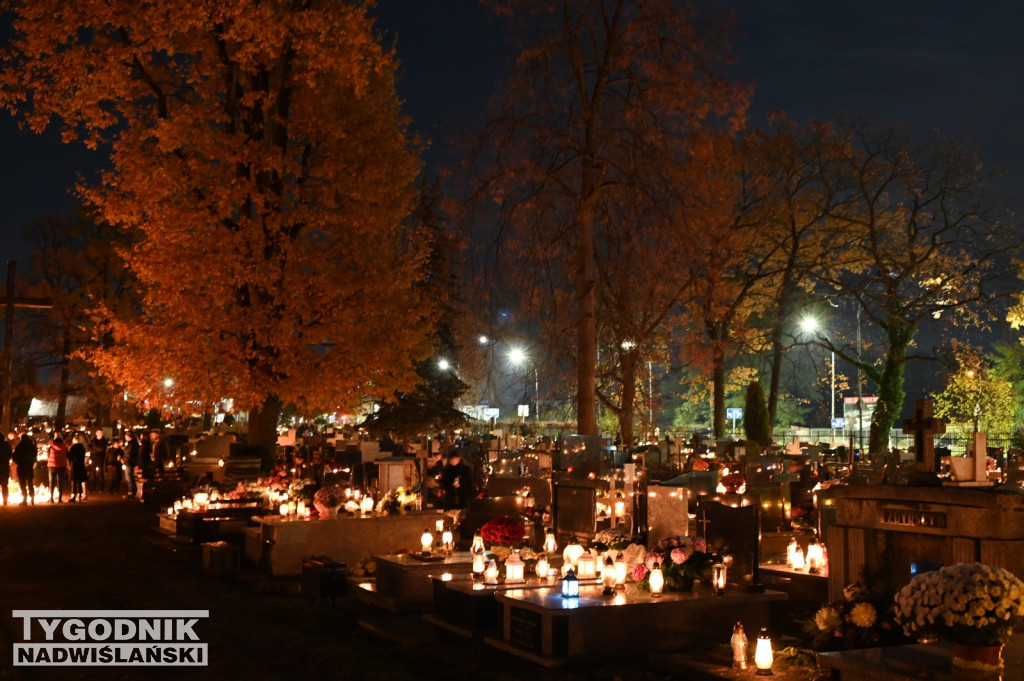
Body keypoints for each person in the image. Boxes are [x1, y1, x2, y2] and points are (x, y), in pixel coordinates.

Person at [13, 433, 36, 505]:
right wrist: (32, 462)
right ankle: (32, 499)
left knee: (22, 484)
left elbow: (14, 457)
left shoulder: (19, 447)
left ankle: (25, 499)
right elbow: (34, 456)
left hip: (21, 467)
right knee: (30, 483)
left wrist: (18, 463)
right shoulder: (32, 447)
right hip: (29, 467)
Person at [47, 433, 69, 503]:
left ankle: (51, 498)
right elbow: (67, 455)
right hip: (61, 466)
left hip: (52, 466)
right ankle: (60, 498)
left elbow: (48, 455)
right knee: (60, 482)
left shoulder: (51, 446)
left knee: (51, 482)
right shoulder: (64, 447)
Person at [67, 434, 88, 503]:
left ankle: (73, 496)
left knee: (74, 481)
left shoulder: (73, 447)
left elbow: (69, 456)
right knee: (79, 481)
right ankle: (79, 496)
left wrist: (69, 464)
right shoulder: (82, 448)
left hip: (74, 465)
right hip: (81, 465)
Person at [123, 430, 141, 497]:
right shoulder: (133, 443)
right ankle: (132, 491)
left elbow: (129, 454)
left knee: (129, 478)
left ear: (129, 436)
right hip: (129, 462)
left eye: (126, 436)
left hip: (129, 463)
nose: (125, 437)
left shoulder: (132, 444)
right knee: (130, 478)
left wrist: (124, 460)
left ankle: (131, 492)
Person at [0, 430, 11, 506]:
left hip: (3, 466)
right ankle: (5, 501)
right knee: (4, 485)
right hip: (5, 466)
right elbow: (10, 455)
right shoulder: (7, 445)